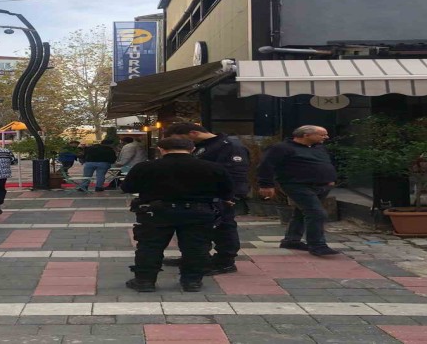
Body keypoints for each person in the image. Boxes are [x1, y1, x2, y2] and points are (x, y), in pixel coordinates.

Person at [122, 138, 232, 292]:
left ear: (161, 149)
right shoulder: (212, 167)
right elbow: (226, 191)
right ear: (192, 149)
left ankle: (144, 281)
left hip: (156, 212)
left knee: (150, 246)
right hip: (198, 212)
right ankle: (192, 281)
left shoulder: (145, 167)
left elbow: (127, 187)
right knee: (196, 247)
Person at [164, 122, 249, 275]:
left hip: (221, 195)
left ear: (193, 133)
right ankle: (198, 257)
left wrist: (231, 195)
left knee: (223, 227)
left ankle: (225, 261)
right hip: (203, 195)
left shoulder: (228, 146)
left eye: (181, 139)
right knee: (200, 228)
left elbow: (236, 173)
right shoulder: (203, 146)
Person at [258, 125, 339, 257]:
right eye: (322, 134)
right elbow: (266, 165)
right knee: (317, 213)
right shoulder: (282, 148)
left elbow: (326, 163)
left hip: (322, 185)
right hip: (297, 185)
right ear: (306, 135)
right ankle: (317, 245)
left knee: (301, 212)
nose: (326, 137)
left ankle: (291, 240)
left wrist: (331, 178)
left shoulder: (319, 147)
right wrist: (266, 185)